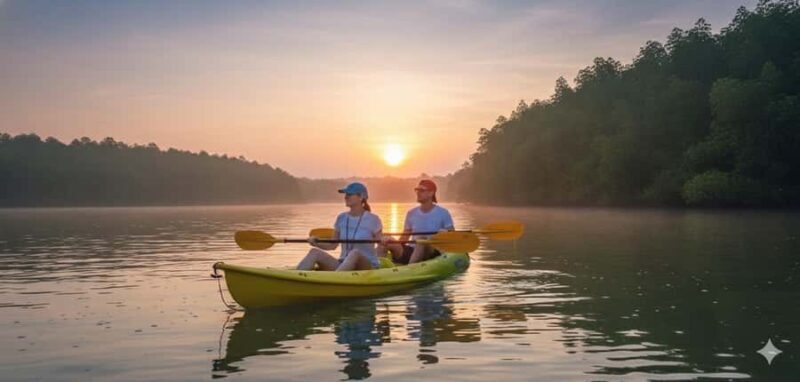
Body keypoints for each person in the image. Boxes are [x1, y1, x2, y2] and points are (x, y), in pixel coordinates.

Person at [297, 182, 383, 271]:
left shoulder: (373, 219)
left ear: (361, 197)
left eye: (349, 194)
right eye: (345, 194)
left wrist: (384, 241)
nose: (346, 197)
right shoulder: (341, 218)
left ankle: (335, 280)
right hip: (343, 264)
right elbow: (332, 245)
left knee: (355, 253)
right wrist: (316, 242)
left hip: (366, 267)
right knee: (314, 252)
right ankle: (296, 278)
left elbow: (381, 243)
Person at [380, 179, 454, 264]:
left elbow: (452, 235)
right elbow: (404, 238)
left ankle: (409, 269)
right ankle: (377, 270)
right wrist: (390, 240)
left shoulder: (443, 213)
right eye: (417, 190)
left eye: (421, 190)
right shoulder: (411, 213)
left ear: (431, 193)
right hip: (412, 250)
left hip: (432, 251)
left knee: (422, 240)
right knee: (385, 241)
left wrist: (446, 232)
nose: (418, 193)